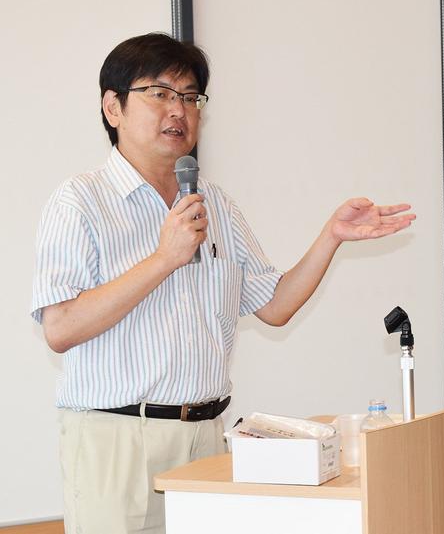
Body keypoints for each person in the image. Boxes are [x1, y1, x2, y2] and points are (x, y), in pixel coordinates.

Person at [31, 33, 415, 534]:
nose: (179, 110)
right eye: (160, 93)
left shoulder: (215, 204)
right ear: (113, 107)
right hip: (117, 440)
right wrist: (165, 259)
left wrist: (331, 237)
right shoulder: (80, 202)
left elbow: (274, 305)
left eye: (191, 97)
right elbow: (60, 327)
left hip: (207, 436)